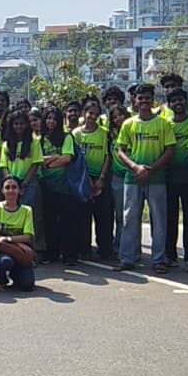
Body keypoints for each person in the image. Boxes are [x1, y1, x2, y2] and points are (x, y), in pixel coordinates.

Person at [114, 86, 175, 271]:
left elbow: (170, 150)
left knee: (159, 220)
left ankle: (159, 260)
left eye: (147, 98)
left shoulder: (163, 123)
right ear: (135, 100)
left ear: (153, 99)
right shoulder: (129, 124)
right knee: (129, 219)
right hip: (133, 178)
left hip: (157, 178)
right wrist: (135, 167)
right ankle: (127, 258)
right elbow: (120, 150)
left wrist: (152, 169)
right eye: (140, 98)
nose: (144, 101)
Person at [162, 87, 188, 271]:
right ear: (169, 105)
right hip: (169, 178)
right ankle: (170, 255)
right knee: (170, 219)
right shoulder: (165, 124)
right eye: (174, 101)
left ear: (186, 101)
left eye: (180, 100)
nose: (178, 103)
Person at [35, 106, 78, 264]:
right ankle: (51, 253)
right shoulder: (39, 140)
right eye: (48, 118)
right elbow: (38, 160)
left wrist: (48, 163)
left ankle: (69, 254)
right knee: (49, 220)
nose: (51, 121)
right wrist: (55, 157)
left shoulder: (67, 138)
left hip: (65, 185)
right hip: (46, 185)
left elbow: (67, 158)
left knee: (67, 220)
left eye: (54, 118)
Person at [72, 102, 114, 261]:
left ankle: (105, 249)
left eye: (96, 114)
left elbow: (107, 156)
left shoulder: (104, 133)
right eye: (90, 113)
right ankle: (84, 249)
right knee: (83, 217)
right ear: (84, 113)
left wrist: (101, 178)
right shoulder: (76, 134)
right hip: (83, 179)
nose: (93, 117)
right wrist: (87, 179)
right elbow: (75, 158)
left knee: (104, 216)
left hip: (101, 179)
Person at [0, 176, 36, 291]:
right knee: (5, 262)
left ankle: (15, 273)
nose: (11, 190)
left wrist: (7, 239)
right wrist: (18, 242)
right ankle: (1, 277)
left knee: (27, 285)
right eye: (7, 187)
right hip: (1, 251)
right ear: (2, 190)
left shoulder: (26, 210)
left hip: (21, 252)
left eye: (14, 187)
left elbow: (27, 237)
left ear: (20, 191)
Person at [0, 110, 41, 207]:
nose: (19, 126)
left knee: (27, 208)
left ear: (26, 125)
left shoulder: (34, 142)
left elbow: (35, 164)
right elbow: (4, 166)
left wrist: (24, 183)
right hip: (12, 184)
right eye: (16, 124)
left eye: (21, 123)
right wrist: (11, 182)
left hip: (29, 183)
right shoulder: (6, 144)